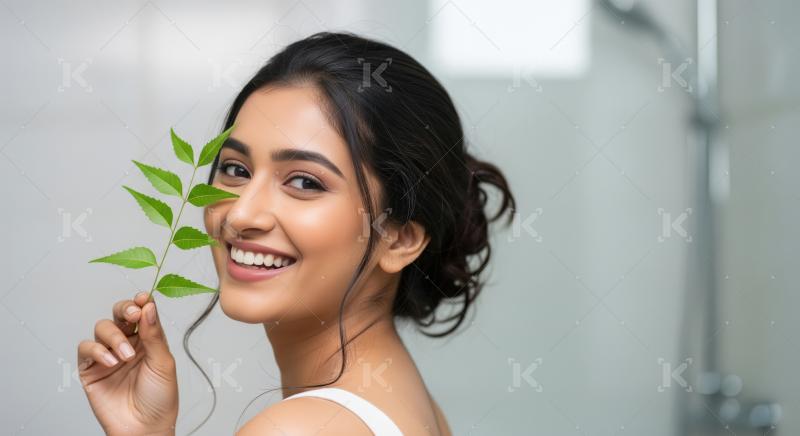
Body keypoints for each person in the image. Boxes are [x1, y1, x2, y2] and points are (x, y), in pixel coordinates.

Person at [77, 31, 515, 435]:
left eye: (305, 182)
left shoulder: (298, 430)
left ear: (399, 238)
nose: (242, 213)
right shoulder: (409, 405)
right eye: (235, 169)